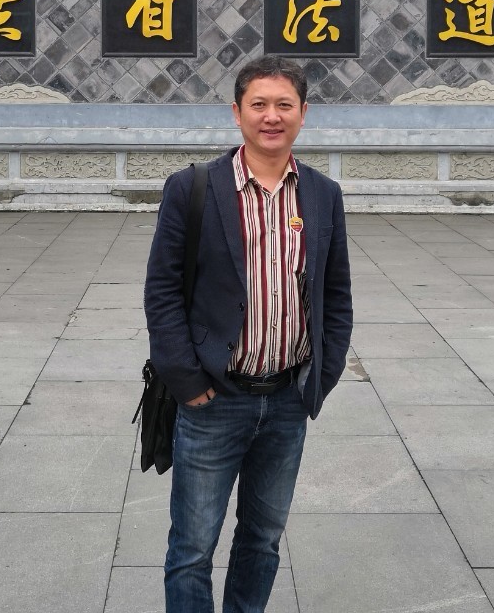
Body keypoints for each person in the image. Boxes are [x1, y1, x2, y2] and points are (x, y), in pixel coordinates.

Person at [144, 54, 353, 613]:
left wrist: (322, 375)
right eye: (258, 104)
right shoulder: (193, 188)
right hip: (214, 398)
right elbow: (162, 292)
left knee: (262, 540)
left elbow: (335, 293)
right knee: (192, 548)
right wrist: (188, 383)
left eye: (284, 104)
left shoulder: (322, 194)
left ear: (304, 112)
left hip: (287, 400)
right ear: (237, 112)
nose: (271, 116)